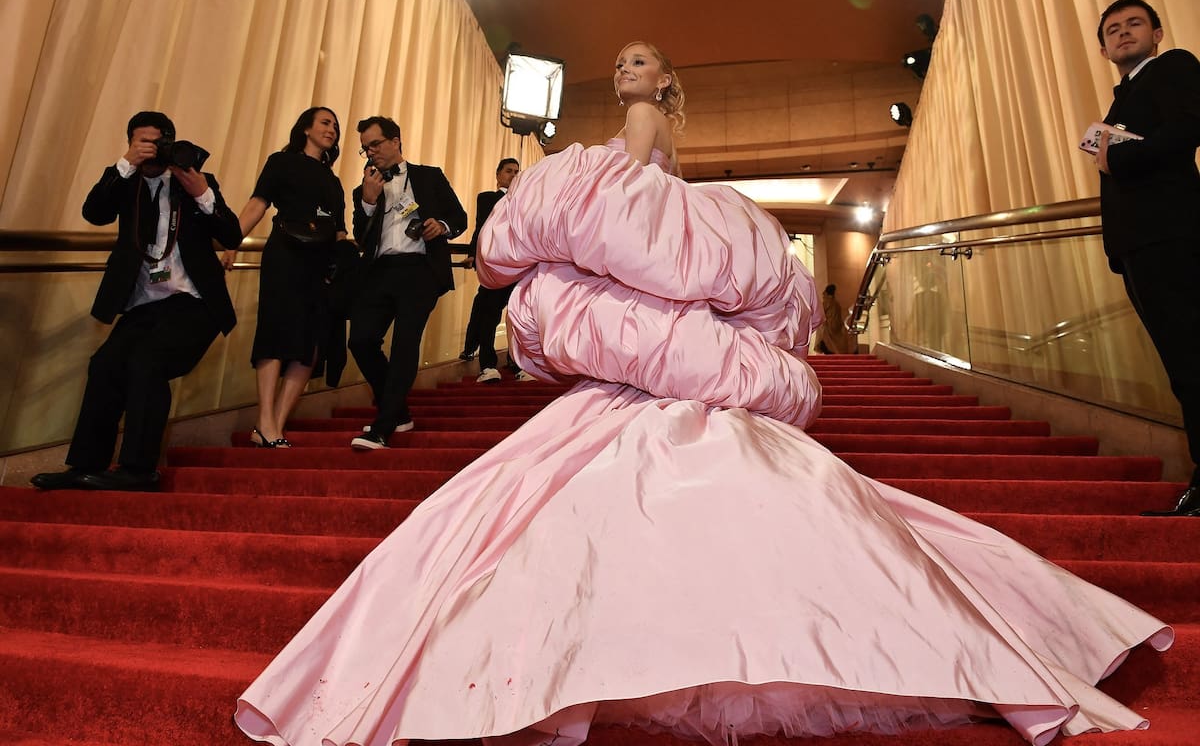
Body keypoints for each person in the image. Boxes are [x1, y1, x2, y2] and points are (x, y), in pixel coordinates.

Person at [235, 43, 1170, 746]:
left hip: (670, 352)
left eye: (643, 60)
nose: (626, 66)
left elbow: (653, 248)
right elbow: (591, 255)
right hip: (638, 361)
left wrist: (630, 268)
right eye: (621, 59)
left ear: (666, 84)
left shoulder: (640, 163)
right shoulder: (601, 162)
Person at [31, 111, 242, 492]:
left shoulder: (193, 181)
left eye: (157, 142)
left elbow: (232, 235)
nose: (150, 149)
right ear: (130, 143)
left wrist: (202, 194)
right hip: (144, 304)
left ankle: (139, 469)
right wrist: (125, 164)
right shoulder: (123, 182)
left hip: (193, 302)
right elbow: (94, 213)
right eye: (141, 142)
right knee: (105, 365)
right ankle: (85, 466)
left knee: (148, 360)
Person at [1092, 0, 1200, 516]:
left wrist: (1119, 158)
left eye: (1135, 24)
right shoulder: (1119, 100)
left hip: (1174, 234)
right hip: (1137, 246)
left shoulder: (1175, 67)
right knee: (1182, 364)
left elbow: (1186, 132)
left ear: (1157, 34)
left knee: (1193, 358)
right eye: (1113, 29)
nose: (1123, 33)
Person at [225, 107, 347, 448]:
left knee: (310, 343)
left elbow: (339, 231)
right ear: (305, 128)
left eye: (336, 126)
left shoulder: (333, 181)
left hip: (320, 262)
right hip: (285, 255)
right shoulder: (281, 162)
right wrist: (231, 241)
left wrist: (340, 270)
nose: (332, 129)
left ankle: (273, 425)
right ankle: (265, 419)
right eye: (325, 123)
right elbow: (256, 205)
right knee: (275, 331)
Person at [347, 116, 468, 449]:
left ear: (395, 141)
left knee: (404, 342)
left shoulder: (429, 176)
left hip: (420, 269)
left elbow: (459, 218)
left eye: (375, 144)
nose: (370, 152)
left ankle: (382, 426)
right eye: (365, 148)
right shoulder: (364, 189)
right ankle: (398, 411)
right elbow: (360, 237)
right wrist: (369, 202)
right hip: (380, 271)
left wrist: (441, 225)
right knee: (360, 339)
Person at [461, 158, 534, 382]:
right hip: (495, 266)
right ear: (498, 174)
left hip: (520, 266)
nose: (513, 175)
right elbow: (481, 228)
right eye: (508, 171)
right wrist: (474, 254)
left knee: (517, 316)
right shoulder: (488, 198)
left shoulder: (526, 201)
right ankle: (487, 365)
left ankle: (517, 363)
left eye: (516, 172)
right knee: (489, 314)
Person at [814, 283, 855, 354]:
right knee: (833, 346)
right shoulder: (836, 304)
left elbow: (821, 313)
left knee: (827, 344)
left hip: (827, 329)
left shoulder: (826, 302)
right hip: (836, 327)